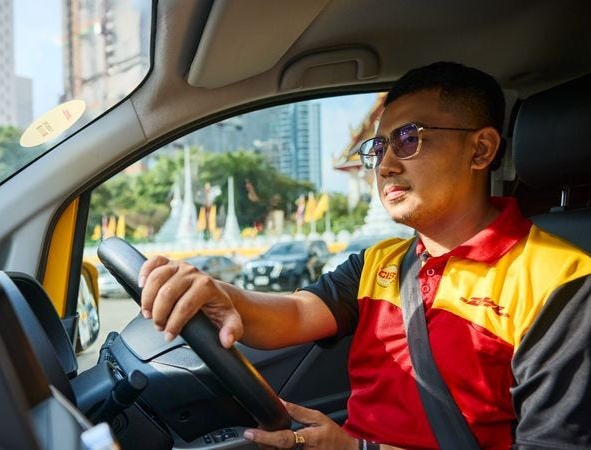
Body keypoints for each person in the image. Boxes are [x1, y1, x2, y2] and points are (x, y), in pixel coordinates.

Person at [138, 62, 591, 449]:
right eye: (378, 148)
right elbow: (295, 315)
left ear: (481, 149)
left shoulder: (560, 280)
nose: (386, 165)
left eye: (409, 139)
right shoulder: (382, 262)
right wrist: (222, 296)